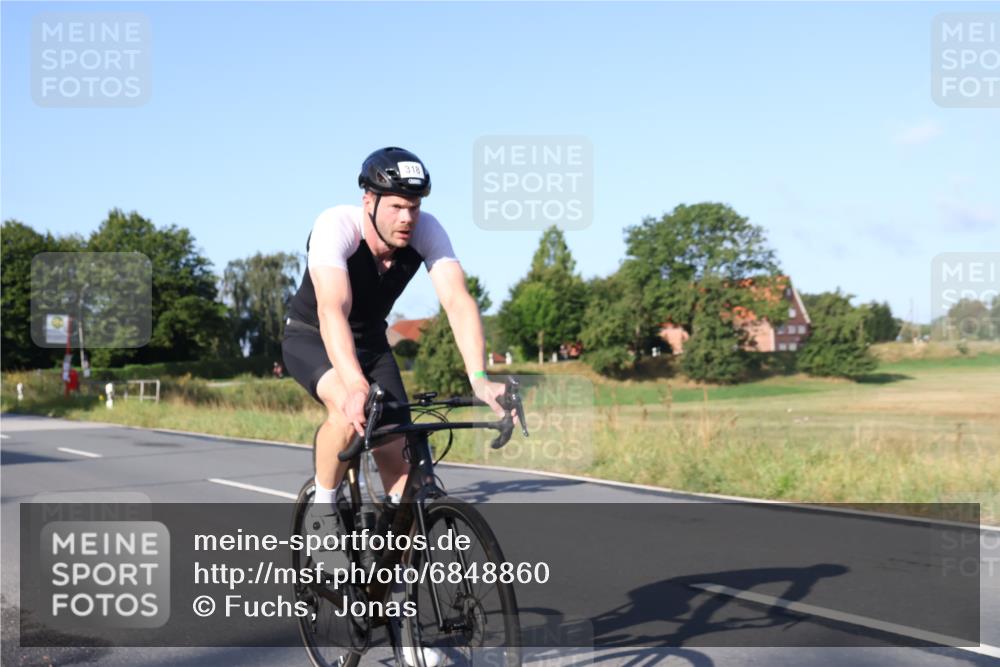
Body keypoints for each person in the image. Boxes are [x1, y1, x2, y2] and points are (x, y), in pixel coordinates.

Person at [282, 147, 507, 665]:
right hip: (314, 336)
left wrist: (479, 378)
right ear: (369, 200)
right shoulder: (335, 226)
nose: (407, 217)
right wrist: (354, 384)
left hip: (372, 343)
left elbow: (456, 300)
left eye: (414, 206)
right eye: (396, 206)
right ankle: (321, 512)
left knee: (406, 482)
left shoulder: (427, 232)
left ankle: (404, 630)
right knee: (346, 406)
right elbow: (333, 310)